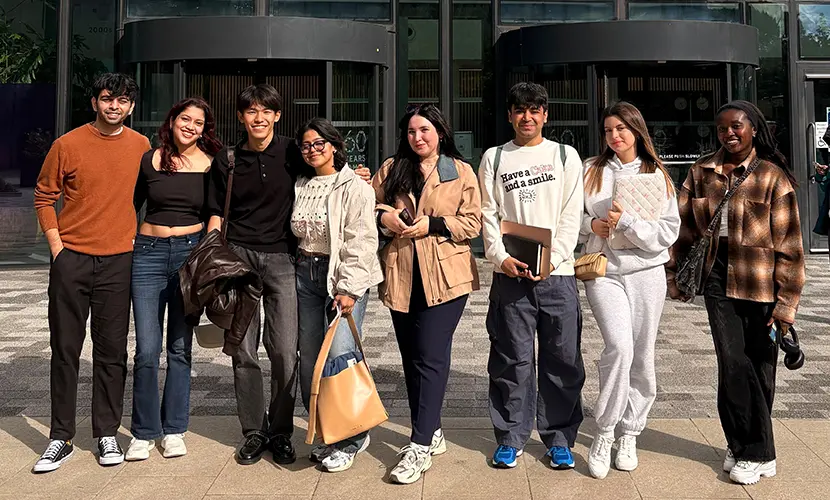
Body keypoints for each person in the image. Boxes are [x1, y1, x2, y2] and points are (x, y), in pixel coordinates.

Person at [206, 84, 370, 466]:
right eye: (251, 111)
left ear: (278, 116)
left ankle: (280, 430)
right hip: (238, 261)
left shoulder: (292, 153)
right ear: (241, 116)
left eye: (267, 110)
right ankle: (253, 430)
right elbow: (215, 211)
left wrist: (356, 173)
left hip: (283, 260)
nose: (259, 117)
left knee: (284, 351)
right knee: (244, 350)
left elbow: (327, 172)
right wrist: (213, 260)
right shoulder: (226, 159)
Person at [667, 100, 805, 486]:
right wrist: (674, 275)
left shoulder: (772, 177)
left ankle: (752, 447)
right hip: (716, 275)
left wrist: (787, 303)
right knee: (733, 363)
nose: (729, 133)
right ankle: (751, 448)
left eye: (737, 126)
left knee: (761, 366)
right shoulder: (702, 172)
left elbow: (791, 247)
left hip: (761, 277)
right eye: (723, 127)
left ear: (754, 129)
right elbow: (683, 229)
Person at [32, 73, 151, 472]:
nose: (113, 106)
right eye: (107, 99)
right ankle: (60, 437)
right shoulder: (67, 144)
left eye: (121, 101)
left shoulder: (141, 146)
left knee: (112, 353)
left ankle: (106, 434)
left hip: (119, 260)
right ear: (95, 103)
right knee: (65, 349)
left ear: (131, 107)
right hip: (72, 259)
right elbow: (44, 196)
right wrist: (57, 249)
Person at [372, 103, 481, 484]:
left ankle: (418, 445)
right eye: (412, 132)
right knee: (411, 357)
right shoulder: (391, 168)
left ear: (440, 132)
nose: (418, 138)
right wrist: (385, 218)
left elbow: (473, 223)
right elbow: (369, 209)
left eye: (425, 130)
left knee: (431, 356)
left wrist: (432, 224)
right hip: (401, 274)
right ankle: (431, 430)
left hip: (446, 277)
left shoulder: (459, 171)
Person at [479, 82, 585, 470]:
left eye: (535, 109)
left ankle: (558, 438)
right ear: (510, 115)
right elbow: (488, 214)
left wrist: (551, 260)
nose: (527, 116)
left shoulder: (564, 156)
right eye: (520, 109)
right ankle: (510, 436)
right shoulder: (494, 158)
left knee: (563, 359)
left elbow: (571, 215)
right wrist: (500, 257)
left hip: (558, 276)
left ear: (546, 114)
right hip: (510, 275)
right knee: (512, 359)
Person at [579, 102, 680, 479]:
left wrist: (630, 224)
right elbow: (570, 219)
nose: (615, 136)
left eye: (621, 128)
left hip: (646, 273)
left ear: (637, 130)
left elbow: (668, 233)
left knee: (642, 353)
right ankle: (604, 429)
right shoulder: (591, 170)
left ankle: (630, 431)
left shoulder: (658, 175)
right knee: (619, 347)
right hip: (603, 272)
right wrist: (593, 225)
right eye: (608, 130)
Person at [126, 97, 223, 461]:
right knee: (147, 349)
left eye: (199, 122)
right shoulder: (149, 158)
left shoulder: (211, 163)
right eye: (186, 118)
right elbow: (131, 205)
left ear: (204, 129)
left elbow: (215, 212)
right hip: (148, 254)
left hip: (189, 255)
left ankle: (174, 429)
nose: (191, 126)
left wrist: (207, 254)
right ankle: (143, 432)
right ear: (173, 119)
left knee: (180, 347)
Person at [292, 117, 383, 473]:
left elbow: (362, 241)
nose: (313, 150)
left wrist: (348, 289)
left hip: (340, 276)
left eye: (319, 143)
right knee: (311, 356)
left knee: (341, 355)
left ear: (334, 145)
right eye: (306, 145)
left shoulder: (354, 187)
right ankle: (328, 432)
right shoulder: (300, 183)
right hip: (304, 274)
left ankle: (353, 438)